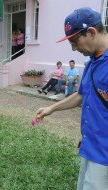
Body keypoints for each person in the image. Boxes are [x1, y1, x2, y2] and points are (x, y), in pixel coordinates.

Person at [36, 7, 108, 190]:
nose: (73, 48)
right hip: (90, 145)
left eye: (75, 41)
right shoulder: (92, 62)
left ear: (91, 32)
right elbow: (81, 96)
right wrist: (51, 109)